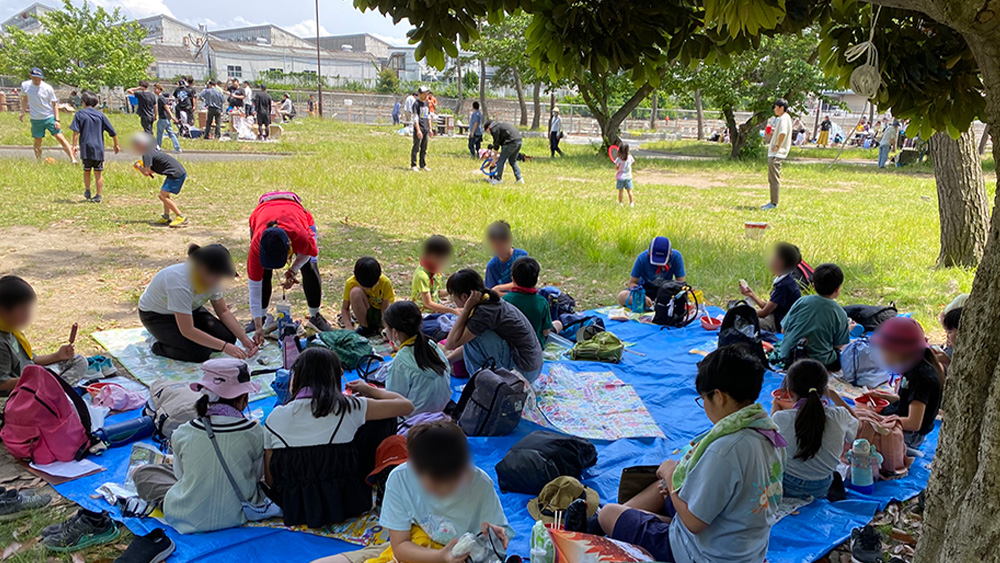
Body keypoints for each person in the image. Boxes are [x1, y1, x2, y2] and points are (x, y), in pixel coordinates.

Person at [597, 345, 785, 563]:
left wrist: (670, 477)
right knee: (663, 489)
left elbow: (695, 523)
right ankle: (629, 517)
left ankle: (604, 520)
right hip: (744, 547)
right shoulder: (770, 434)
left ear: (719, 396)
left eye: (703, 398)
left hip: (702, 554)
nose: (704, 405)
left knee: (608, 513)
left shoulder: (724, 449)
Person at [311, 420, 511, 563]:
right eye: (437, 484)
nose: (446, 490)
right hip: (418, 548)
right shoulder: (400, 478)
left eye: (455, 480)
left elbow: (499, 537)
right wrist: (440, 558)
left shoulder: (479, 482)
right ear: (415, 469)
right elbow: (400, 546)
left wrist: (495, 536)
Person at [263, 347, 413, 528]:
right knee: (383, 419)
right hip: (346, 502)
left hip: (294, 505)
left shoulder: (274, 417)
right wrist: (370, 390)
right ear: (334, 377)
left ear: (297, 378)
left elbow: (270, 476)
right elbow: (406, 406)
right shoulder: (349, 407)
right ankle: (378, 478)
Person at [131, 359, 266, 534]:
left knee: (144, 473)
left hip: (186, 516)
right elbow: (256, 476)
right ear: (244, 399)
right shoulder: (255, 432)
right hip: (238, 513)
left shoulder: (183, 432)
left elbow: (181, 477)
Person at [138, 244, 257, 362]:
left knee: (228, 338)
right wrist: (224, 347)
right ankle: (157, 344)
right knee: (199, 353)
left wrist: (244, 339)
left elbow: (223, 311)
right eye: (216, 276)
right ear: (202, 269)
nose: (218, 281)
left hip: (190, 310)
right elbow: (187, 330)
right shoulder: (179, 282)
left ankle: (180, 338)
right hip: (157, 316)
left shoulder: (211, 278)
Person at [248, 192, 332, 342]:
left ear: (290, 248)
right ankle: (261, 317)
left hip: (296, 211)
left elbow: (308, 253)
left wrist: (293, 269)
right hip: (263, 211)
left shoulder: (301, 237)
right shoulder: (257, 245)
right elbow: (254, 287)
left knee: (310, 267)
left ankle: (315, 316)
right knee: (264, 271)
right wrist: (258, 325)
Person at [772, 360, 857, 499]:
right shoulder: (840, 415)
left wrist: (775, 410)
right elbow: (856, 426)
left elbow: (771, 446)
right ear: (824, 390)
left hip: (785, 486)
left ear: (789, 393)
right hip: (821, 486)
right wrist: (834, 396)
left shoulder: (780, 418)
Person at [444, 269, 543, 382]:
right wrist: (448, 361)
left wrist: (466, 309)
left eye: (453, 296)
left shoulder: (484, 312)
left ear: (465, 297)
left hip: (524, 372)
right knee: (469, 335)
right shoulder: (488, 302)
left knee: (472, 336)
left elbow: (450, 344)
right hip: (533, 368)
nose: (452, 300)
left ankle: (477, 383)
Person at [0, 275, 88, 394]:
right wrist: (37, 378)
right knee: (52, 381)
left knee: (78, 361)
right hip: (19, 390)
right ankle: (53, 392)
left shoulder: (11, 330)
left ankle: (54, 389)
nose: (28, 314)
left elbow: (31, 360)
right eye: (24, 310)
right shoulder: (1, 343)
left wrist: (58, 356)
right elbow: (2, 383)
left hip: (31, 376)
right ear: (3, 310)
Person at [868, 317, 944, 451]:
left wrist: (878, 420)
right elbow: (910, 401)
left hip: (908, 436)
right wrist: (884, 396)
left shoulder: (921, 378)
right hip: (902, 421)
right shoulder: (914, 367)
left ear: (898, 352)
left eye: (883, 350)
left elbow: (914, 423)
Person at [776, 263, 851, 371]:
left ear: (814, 285)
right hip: (820, 364)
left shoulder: (801, 301)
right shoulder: (839, 312)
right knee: (839, 356)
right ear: (838, 289)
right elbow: (839, 345)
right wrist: (847, 330)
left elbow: (783, 330)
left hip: (789, 358)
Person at [383, 301, 452, 416]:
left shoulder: (400, 361)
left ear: (394, 332)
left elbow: (393, 401)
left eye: (385, 329)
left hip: (414, 421)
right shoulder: (431, 345)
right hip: (440, 412)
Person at [739, 242, 802, 333]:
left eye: (774, 257)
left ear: (780, 263)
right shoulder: (783, 280)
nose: (770, 259)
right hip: (774, 317)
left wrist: (744, 314)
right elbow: (769, 308)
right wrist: (751, 295)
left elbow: (764, 312)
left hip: (778, 324)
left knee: (742, 322)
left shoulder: (784, 286)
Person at [70, 91, 119, 204]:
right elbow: (113, 132)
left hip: (86, 147)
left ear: (83, 102)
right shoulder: (100, 115)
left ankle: (87, 190)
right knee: (98, 172)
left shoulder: (80, 114)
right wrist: (116, 144)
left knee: (86, 170)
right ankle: (99, 195)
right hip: (98, 148)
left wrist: (74, 145)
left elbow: (76, 132)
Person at [19, 68, 76, 163]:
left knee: (60, 138)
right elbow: (25, 99)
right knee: (37, 141)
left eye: (39, 79)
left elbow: (54, 104)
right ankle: (39, 161)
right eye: (35, 79)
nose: (37, 81)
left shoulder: (47, 88)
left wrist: (57, 120)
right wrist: (23, 112)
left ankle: (73, 159)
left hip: (49, 117)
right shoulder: (25, 85)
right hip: (36, 118)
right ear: (30, 76)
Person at [131, 133, 188, 228]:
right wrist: (144, 169)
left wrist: (138, 166)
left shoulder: (146, 154)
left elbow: (146, 172)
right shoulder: (152, 151)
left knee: (162, 196)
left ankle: (181, 217)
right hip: (176, 172)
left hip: (175, 173)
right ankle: (166, 217)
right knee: (165, 195)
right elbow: (152, 170)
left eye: (136, 145)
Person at [616, 236, 686, 310]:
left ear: (670, 254)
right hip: (644, 290)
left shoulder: (676, 257)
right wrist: (642, 296)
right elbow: (632, 283)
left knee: (687, 298)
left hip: (665, 291)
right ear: (649, 253)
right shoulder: (642, 258)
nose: (659, 264)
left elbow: (681, 283)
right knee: (621, 296)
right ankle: (644, 303)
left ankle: (660, 305)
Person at [502, 257, 555, 345]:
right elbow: (546, 332)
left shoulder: (505, 301)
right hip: (535, 349)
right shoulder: (542, 302)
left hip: (510, 347)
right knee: (558, 324)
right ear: (536, 279)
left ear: (513, 279)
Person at [341, 257, 396, 336]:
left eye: (372, 286)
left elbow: (385, 310)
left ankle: (379, 328)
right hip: (366, 311)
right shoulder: (351, 283)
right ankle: (365, 328)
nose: (368, 289)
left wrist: (386, 329)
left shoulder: (385, 283)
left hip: (382, 314)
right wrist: (348, 328)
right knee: (355, 292)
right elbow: (345, 308)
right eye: (364, 287)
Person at [412, 235, 458, 315]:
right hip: (423, 314)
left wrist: (452, 291)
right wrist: (451, 310)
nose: (444, 261)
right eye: (441, 258)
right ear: (432, 255)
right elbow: (428, 303)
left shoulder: (435, 270)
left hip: (435, 310)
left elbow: (435, 292)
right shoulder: (422, 276)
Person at [762, 98, 792, 210]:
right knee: (772, 178)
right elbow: (781, 133)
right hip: (777, 152)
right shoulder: (784, 118)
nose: (774, 109)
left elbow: (783, 133)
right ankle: (773, 202)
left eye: (776, 107)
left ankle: (773, 203)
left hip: (777, 153)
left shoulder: (783, 118)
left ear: (781, 108)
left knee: (773, 179)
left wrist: (778, 145)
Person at [484, 220, 529, 295]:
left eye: (500, 245)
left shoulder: (522, 257)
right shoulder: (492, 266)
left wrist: (500, 288)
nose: (498, 249)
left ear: (509, 240)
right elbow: (491, 292)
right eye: (495, 246)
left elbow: (526, 283)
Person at [484, 120, 524, 184]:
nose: (489, 133)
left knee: (501, 160)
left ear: (488, 127)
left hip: (511, 142)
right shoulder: (500, 125)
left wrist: (494, 159)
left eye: (487, 131)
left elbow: (496, 145)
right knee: (512, 161)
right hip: (519, 141)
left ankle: (498, 179)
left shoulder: (493, 128)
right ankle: (519, 179)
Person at [153, 83, 182, 153]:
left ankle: (158, 147)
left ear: (160, 89)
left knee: (159, 134)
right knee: (171, 133)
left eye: (156, 88)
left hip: (163, 118)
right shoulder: (162, 98)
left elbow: (166, 107)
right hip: (166, 119)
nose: (154, 90)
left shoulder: (161, 98)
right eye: (154, 88)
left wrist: (172, 117)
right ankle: (178, 148)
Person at [411, 87, 432, 172]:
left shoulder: (426, 104)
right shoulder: (416, 104)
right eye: (424, 93)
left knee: (424, 148)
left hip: (426, 128)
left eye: (427, 93)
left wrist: (430, 128)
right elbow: (415, 118)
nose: (426, 95)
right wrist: (418, 130)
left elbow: (429, 117)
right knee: (416, 147)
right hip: (419, 128)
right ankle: (413, 164)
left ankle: (422, 165)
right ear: (420, 94)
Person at [614, 142, 635, 207]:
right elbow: (632, 163)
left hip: (620, 177)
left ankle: (620, 203)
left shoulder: (618, 159)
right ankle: (631, 203)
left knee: (621, 191)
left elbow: (616, 167)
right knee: (629, 191)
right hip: (628, 177)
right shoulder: (630, 157)